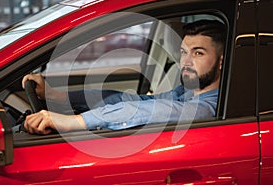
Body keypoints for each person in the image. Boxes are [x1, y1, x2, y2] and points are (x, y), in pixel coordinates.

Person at [21, 19, 226, 134]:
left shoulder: (207, 108)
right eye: (183, 53)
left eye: (198, 53)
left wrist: (74, 122)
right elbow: (136, 100)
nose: (186, 62)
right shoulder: (186, 92)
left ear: (220, 61)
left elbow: (146, 110)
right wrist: (57, 96)